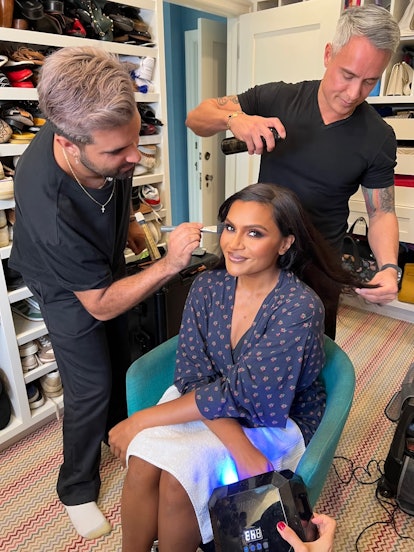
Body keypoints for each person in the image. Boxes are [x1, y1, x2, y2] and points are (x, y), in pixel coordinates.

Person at [108, 183, 370, 551]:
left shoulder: (299, 308)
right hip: (208, 401)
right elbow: (191, 375)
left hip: (274, 417)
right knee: (144, 460)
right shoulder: (207, 286)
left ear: (285, 243)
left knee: (178, 476)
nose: (234, 243)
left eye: (255, 233)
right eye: (230, 227)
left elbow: (247, 395)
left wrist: (140, 418)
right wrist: (232, 445)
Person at [9, 46, 203, 540]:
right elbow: (97, 302)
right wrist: (169, 263)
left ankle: (120, 431)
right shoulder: (51, 203)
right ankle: (74, 486)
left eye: (135, 138)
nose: (134, 156)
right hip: (63, 280)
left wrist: (133, 221)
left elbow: (121, 172)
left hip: (101, 254)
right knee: (90, 383)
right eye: (117, 152)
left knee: (122, 352)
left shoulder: (108, 134)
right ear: (69, 144)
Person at [185, 4, 402, 339]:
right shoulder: (278, 98)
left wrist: (388, 267)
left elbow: (382, 212)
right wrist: (233, 119)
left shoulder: (379, 137)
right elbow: (197, 118)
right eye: (348, 75)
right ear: (329, 54)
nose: (354, 93)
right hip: (261, 255)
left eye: (369, 82)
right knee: (245, 344)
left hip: (320, 266)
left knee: (310, 362)